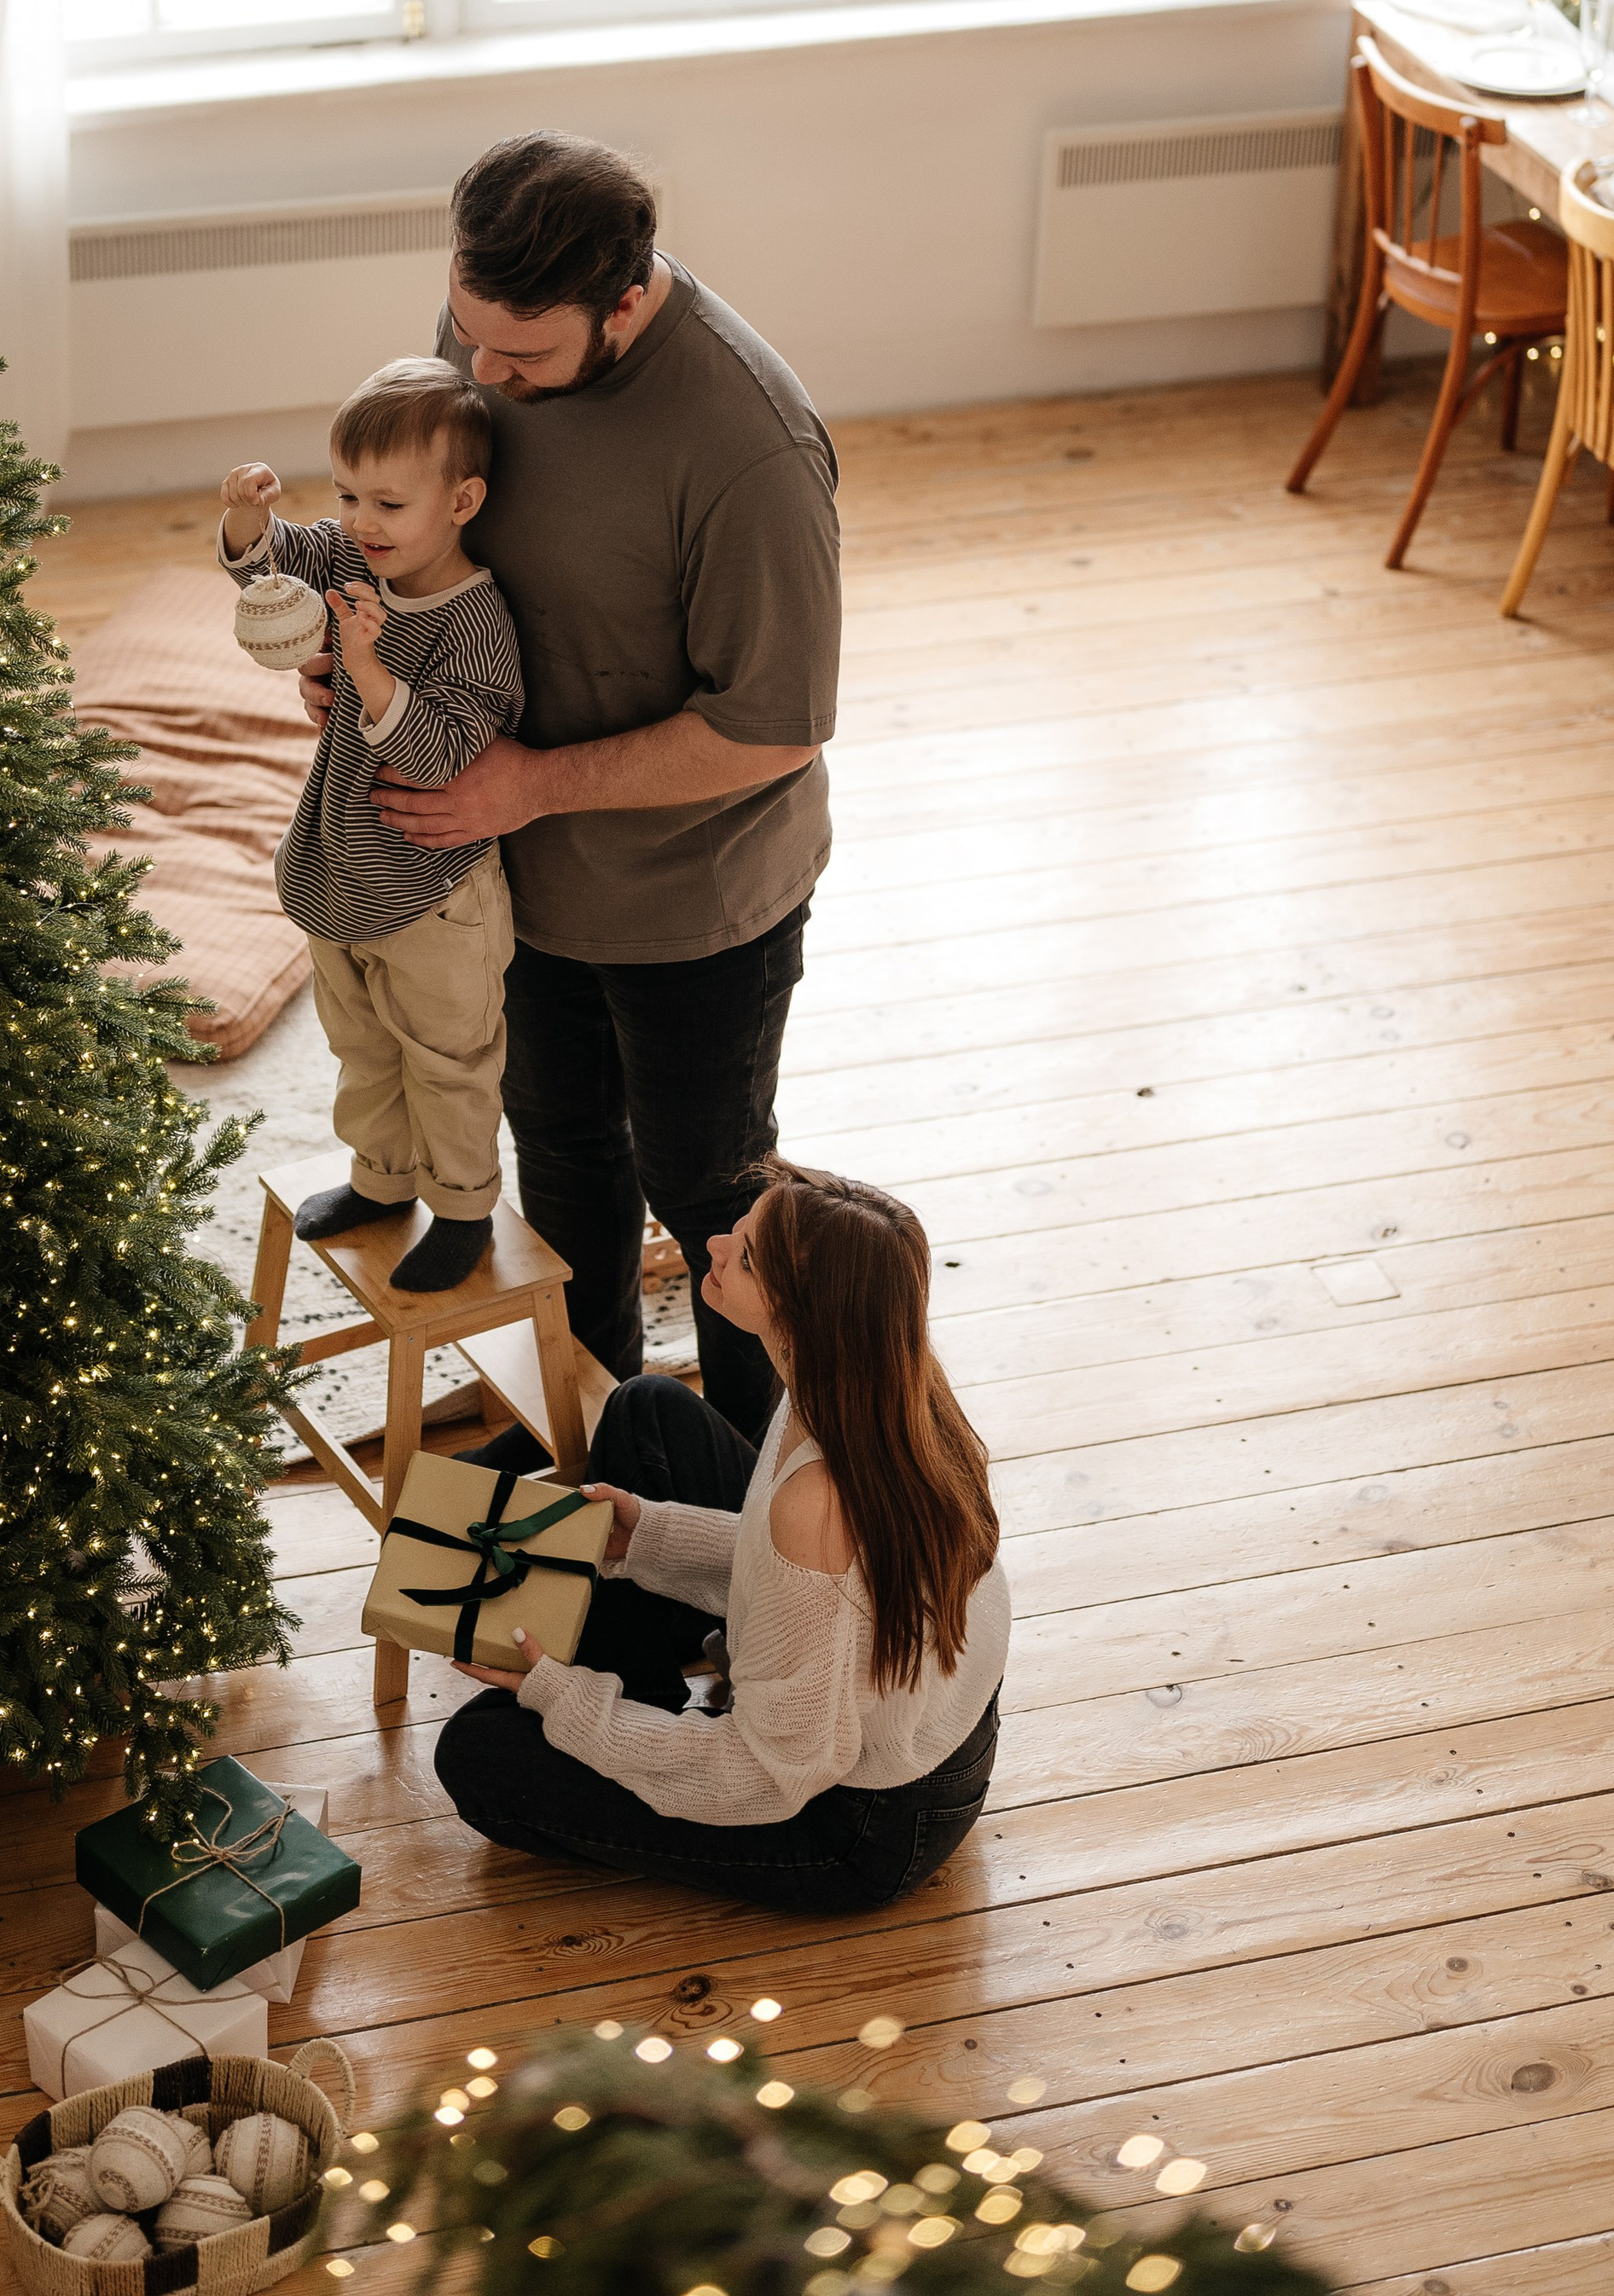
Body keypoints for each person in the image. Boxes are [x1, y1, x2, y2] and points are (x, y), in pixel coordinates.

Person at [305, 132, 839, 1437]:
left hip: (691, 900)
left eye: (523, 357)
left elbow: (774, 727)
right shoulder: (498, 321)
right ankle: (592, 1443)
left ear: (627, 296)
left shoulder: (748, 452)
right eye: (467, 333)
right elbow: (434, 530)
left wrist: (530, 784)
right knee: (561, 1167)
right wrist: (364, 671)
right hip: (500, 879)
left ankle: (755, 1498)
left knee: (711, 1205)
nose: (483, 373)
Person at [433, 1163, 1008, 1910]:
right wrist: (648, 1540)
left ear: (799, 1308)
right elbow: (818, 1591)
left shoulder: (817, 1504)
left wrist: (572, 1705)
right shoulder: (870, 1376)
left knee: (478, 1755)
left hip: (859, 1824)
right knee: (648, 1410)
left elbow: (774, 1771)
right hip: (905, 1722)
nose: (714, 1244)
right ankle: (633, 1679)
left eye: (746, 1252)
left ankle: (628, 1690)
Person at [218, 357, 523, 1296]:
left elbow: (442, 757)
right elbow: (286, 555)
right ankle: (382, 1180)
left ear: (463, 499)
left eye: (387, 502)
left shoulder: (476, 623)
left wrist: (372, 669)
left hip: (434, 892)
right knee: (360, 1043)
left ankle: (464, 1208)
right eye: (347, 493)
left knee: (447, 1058)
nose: (358, 521)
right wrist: (245, 518)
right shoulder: (356, 553)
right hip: (343, 868)